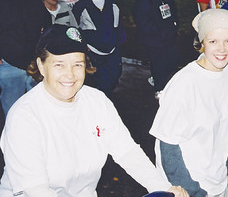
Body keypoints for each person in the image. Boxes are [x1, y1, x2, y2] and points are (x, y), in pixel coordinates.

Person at [0, 24, 188, 197]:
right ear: (41, 66)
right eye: (59, 64)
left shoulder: (96, 101)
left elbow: (127, 152)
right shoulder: (24, 117)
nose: (70, 74)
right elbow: (37, 190)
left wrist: (162, 187)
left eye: (77, 64)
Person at [150, 9, 228, 197]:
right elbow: (167, 145)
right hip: (189, 185)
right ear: (202, 43)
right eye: (213, 41)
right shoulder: (185, 84)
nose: (222, 49)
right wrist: (192, 190)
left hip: (220, 180)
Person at [0, 0, 52, 116]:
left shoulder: (34, 1)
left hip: (35, 66)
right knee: (12, 111)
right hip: (9, 65)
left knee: (39, 110)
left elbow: (48, 26)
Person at [73, 0, 123, 99]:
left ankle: (106, 96)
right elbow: (75, 28)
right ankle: (103, 101)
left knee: (115, 75)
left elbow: (118, 24)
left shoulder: (111, 3)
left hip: (112, 48)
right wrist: (83, 45)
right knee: (101, 80)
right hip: (94, 50)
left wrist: (119, 42)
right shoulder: (81, 6)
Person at [133, 0, 179, 100]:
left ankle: (161, 83)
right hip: (155, 41)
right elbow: (142, 21)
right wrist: (159, 34)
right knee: (159, 66)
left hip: (168, 38)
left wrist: (174, 27)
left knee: (171, 63)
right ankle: (159, 90)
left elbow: (173, 11)